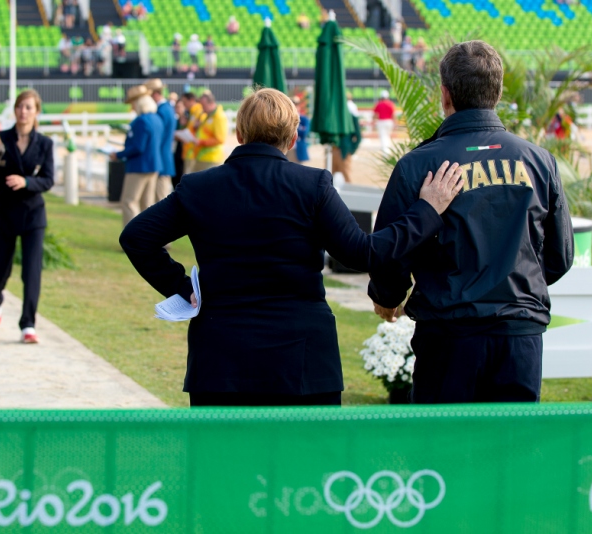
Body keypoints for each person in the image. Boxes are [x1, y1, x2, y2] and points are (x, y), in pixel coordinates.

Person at [119, 88, 465, 407]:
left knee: (223, 470)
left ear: (239, 134)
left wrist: (181, 287)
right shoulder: (311, 185)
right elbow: (363, 253)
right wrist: (426, 210)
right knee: (306, 472)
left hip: (221, 356)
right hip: (302, 357)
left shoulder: (198, 187)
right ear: (293, 136)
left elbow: (136, 237)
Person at [368, 41, 574, 404]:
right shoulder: (540, 161)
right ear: (496, 93)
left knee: (441, 453)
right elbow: (559, 256)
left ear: (445, 95)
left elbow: (391, 250)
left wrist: (387, 297)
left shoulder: (418, 165)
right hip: (519, 336)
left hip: (449, 335)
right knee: (512, 453)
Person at [0, 90, 55, 344]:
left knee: (31, 272)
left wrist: (26, 181)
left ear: (36, 112)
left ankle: (28, 325)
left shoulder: (45, 144)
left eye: (29, 107)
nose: (23, 111)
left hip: (33, 216)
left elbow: (48, 179)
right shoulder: (0, 139)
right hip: (4, 214)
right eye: (20, 106)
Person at [111, 85, 163, 227]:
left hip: (139, 166)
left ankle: (134, 237)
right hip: (153, 164)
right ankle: (151, 238)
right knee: (148, 203)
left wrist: (119, 154)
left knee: (129, 201)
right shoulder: (156, 119)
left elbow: (138, 147)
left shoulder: (141, 121)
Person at [146, 79, 177, 203]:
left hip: (160, 159)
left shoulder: (162, 111)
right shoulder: (167, 108)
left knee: (160, 199)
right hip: (163, 158)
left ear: (154, 94)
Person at [189, 91, 227, 172]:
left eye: (203, 105)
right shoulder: (208, 115)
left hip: (211, 158)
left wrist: (200, 142)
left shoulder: (219, 117)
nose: (202, 108)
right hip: (203, 156)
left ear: (211, 103)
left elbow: (220, 139)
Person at [177, 92, 201, 176]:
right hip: (188, 150)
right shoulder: (191, 112)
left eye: (184, 102)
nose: (184, 105)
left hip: (193, 151)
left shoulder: (198, 111)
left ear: (191, 100)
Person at [287, 95, 309, 164]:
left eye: (296, 104)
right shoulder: (286, 118)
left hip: (298, 149)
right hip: (287, 149)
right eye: (293, 104)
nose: (295, 106)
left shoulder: (304, 119)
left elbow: (305, 132)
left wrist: (291, 129)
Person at [373, 89, 395, 155]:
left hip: (381, 122)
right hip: (389, 122)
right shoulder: (391, 104)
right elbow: (393, 114)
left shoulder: (379, 104)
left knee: (383, 137)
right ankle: (388, 150)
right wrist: (394, 123)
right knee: (388, 136)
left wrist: (373, 121)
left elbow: (375, 114)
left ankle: (385, 152)